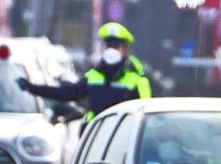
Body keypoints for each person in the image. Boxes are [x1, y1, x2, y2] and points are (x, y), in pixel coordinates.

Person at [16, 22, 151, 122]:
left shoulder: (137, 80)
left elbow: (145, 114)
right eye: (108, 46)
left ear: (125, 50)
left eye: (116, 46)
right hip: (94, 135)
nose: (111, 50)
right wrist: (32, 88)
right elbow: (68, 93)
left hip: (123, 139)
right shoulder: (94, 76)